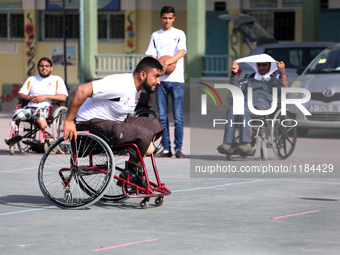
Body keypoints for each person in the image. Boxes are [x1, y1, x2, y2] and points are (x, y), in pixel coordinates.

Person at [63, 57, 165, 187]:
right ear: (143, 75)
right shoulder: (120, 84)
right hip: (90, 124)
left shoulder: (137, 88)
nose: (159, 81)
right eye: (156, 76)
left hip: (113, 123)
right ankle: (132, 173)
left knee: (154, 126)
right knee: (142, 134)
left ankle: (131, 171)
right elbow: (81, 90)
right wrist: (69, 120)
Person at [217, 54, 287, 155]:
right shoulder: (249, 77)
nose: (261, 68)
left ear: (270, 66)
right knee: (232, 109)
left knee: (245, 110)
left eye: (264, 65)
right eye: (259, 65)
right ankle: (227, 143)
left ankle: (246, 144)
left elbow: (284, 91)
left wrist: (282, 72)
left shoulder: (275, 78)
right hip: (246, 102)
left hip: (264, 104)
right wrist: (234, 73)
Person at [145, 5, 187, 158]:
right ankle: (167, 149)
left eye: (170, 18)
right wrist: (159, 64)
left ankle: (179, 149)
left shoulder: (179, 34)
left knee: (178, 117)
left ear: (174, 18)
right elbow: (151, 55)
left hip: (176, 81)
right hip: (160, 81)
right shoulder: (155, 35)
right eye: (164, 18)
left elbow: (181, 52)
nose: (167, 21)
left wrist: (167, 62)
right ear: (160, 18)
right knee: (162, 116)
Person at [8, 57, 68, 131]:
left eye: (46, 66)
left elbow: (63, 97)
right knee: (16, 116)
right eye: (41, 66)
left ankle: (41, 124)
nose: (44, 68)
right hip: (30, 107)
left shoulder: (57, 79)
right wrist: (29, 98)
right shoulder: (31, 79)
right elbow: (20, 95)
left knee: (38, 117)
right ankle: (16, 137)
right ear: (38, 67)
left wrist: (45, 97)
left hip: (45, 108)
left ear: (51, 68)